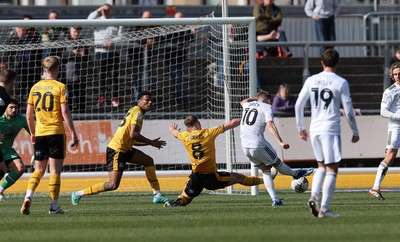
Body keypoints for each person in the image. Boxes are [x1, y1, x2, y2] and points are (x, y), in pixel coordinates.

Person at [71, 91, 168, 205]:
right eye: (147, 100)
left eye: (151, 100)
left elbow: (131, 139)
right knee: (113, 185)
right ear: (139, 102)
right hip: (117, 150)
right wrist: (151, 142)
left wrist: (150, 143)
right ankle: (78, 194)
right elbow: (133, 134)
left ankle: (157, 195)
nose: (150, 102)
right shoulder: (138, 112)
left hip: (125, 149)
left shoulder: (135, 111)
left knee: (148, 161)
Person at [295, 49, 360, 218]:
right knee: (332, 169)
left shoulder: (311, 80)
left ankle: (314, 197)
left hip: (315, 129)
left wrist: (300, 127)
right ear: (337, 63)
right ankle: (324, 207)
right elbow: (349, 111)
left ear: (322, 63)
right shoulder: (341, 82)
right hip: (330, 128)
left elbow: (298, 105)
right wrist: (355, 130)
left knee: (321, 166)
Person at [20, 56, 79, 215]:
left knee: (38, 170)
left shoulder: (35, 87)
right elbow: (64, 111)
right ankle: (54, 207)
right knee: (54, 172)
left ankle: (28, 196)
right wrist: (73, 132)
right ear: (58, 69)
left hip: (40, 133)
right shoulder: (60, 87)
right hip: (55, 133)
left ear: (44, 69)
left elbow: (27, 114)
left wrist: (32, 132)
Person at [164, 115, 264, 207]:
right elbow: (232, 123)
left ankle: (178, 201)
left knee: (186, 198)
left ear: (187, 128)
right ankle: (264, 180)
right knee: (238, 177)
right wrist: (246, 118)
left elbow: (175, 134)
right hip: (211, 177)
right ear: (198, 123)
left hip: (196, 177)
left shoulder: (184, 135)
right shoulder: (208, 133)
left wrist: (173, 129)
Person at [240, 91, 313, 207]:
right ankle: (296, 173)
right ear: (269, 101)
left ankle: (275, 200)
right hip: (258, 144)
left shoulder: (248, 105)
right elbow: (270, 125)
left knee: (266, 171)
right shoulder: (267, 106)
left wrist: (256, 99)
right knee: (277, 163)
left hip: (245, 147)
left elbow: (243, 101)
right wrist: (280, 141)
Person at [369, 62, 400, 201]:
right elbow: (383, 112)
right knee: (390, 156)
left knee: (391, 156)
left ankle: (376, 187)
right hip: (396, 127)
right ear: (392, 76)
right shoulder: (390, 91)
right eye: (395, 74)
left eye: (399, 73)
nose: (398, 76)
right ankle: (376, 186)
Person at [1, 17, 42, 112]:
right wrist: (12, 69)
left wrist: (37, 69)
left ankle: (30, 114)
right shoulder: (11, 41)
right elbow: (6, 57)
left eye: (23, 27)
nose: (21, 29)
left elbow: (40, 55)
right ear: (16, 29)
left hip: (31, 73)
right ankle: (17, 114)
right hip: (17, 74)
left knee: (30, 96)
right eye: (19, 27)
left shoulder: (34, 40)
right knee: (18, 95)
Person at [88, 4, 123, 107]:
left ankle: (114, 97)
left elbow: (122, 36)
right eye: (103, 10)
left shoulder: (117, 22)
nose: (105, 12)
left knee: (114, 76)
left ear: (111, 11)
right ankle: (102, 97)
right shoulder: (97, 20)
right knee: (101, 76)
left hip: (113, 52)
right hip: (100, 52)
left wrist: (112, 41)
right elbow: (88, 20)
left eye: (107, 10)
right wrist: (98, 10)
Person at [0, 100, 30, 202]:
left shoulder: (21, 119)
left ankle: (0, 190)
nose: (14, 110)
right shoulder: (0, 119)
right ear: (5, 108)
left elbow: (34, 133)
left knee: (20, 168)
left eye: (16, 108)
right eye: (11, 107)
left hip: (7, 150)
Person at [61, 26, 89, 113]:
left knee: (81, 99)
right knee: (68, 99)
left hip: (80, 76)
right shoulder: (63, 41)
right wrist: (72, 53)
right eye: (75, 31)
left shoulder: (83, 42)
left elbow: (88, 57)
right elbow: (60, 55)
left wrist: (84, 54)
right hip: (67, 76)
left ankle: (81, 116)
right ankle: (68, 116)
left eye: (78, 32)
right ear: (70, 30)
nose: (77, 33)